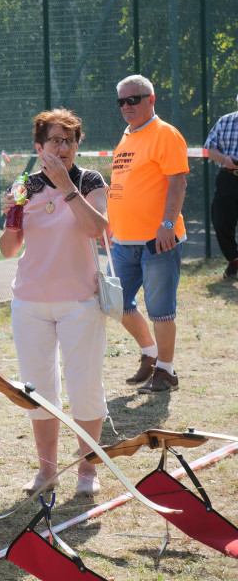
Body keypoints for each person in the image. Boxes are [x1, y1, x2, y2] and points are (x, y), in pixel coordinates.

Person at [0, 109, 108, 496]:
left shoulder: (90, 180)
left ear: (78, 145)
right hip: (30, 303)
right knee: (38, 390)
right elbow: (9, 249)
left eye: (69, 140)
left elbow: (97, 228)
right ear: (38, 147)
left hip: (80, 302)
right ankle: (46, 472)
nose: (62, 147)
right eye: (54, 141)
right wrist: (12, 217)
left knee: (84, 388)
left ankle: (87, 474)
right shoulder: (24, 185)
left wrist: (66, 187)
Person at [108, 75, 188, 394]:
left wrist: (167, 224)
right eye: (121, 101)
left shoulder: (165, 134)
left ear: (151, 99)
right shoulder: (128, 135)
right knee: (116, 304)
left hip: (157, 242)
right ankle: (150, 354)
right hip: (123, 241)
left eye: (134, 99)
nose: (127, 106)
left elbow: (177, 182)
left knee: (160, 310)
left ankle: (166, 371)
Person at [203, 95, 238, 278]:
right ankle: (233, 260)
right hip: (228, 177)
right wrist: (225, 159)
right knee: (221, 221)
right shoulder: (225, 121)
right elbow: (210, 149)